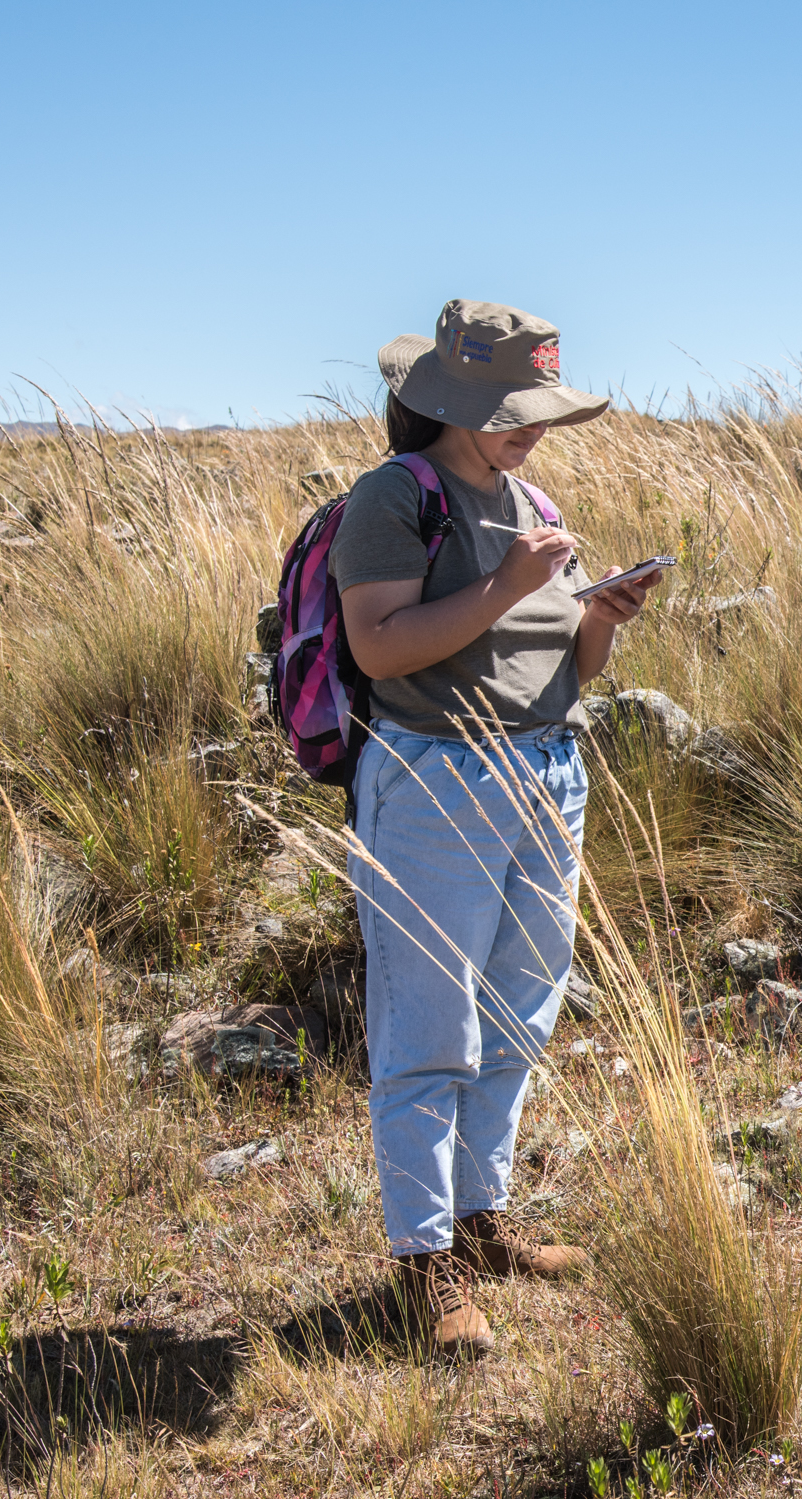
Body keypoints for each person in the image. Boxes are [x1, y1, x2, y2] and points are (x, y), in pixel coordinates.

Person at [330, 298, 660, 1354]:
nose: (533, 427)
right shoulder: (393, 499)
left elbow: (561, 667)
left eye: (539, 409)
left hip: (547, 771)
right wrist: (506, 582)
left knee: (521, 1010)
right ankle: (425, 1262)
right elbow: (381, 647)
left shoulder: (534, 495)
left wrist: (596, 619)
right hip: (435, 780)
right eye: (512, 408)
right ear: (449, 403)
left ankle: (482, 1221)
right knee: (430, 1028)